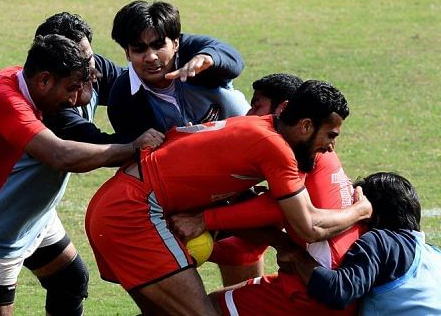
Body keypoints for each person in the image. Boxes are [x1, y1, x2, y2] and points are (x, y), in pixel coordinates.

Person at [85, 80, 372, 315]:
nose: (332, 146)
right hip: (132, 212)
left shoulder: (261, 129)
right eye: (330, 135)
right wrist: (361, 210)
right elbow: (309, 225)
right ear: (306, 126)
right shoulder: (276, 149)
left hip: (120, 204)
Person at [0, 34, 163, 315]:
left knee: (68, 279)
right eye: (71, 89)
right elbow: (59, 155)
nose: (75, 99)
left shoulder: (23, 83)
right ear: (44, 80)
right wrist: (132, 148)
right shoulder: (5, 99)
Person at [0, 13, 128, 316]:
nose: (90, 72)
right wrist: (141, 145)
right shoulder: (54, 108)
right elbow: (82, 151)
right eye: (77, 68)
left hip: (34, 216)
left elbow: (133, 86)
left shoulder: (89, 69)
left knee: (69, 281)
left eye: (88, 58)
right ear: (51, 73)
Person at [195, 73, 363, 292]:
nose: (249, 114)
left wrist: (203, 220)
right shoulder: (300, 148)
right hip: (331, 278)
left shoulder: (305, 153)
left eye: (257, 106)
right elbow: (246, 249)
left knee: (204, 308)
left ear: (283, 109)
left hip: (319, 283)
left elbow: (280, 212)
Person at [273, 172, 441, 315]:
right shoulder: (435, 255)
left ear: (371, 214)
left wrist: (296, 256)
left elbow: (338, 292)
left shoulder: (382, 241)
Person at [107, 0, 250, 140]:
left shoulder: (195, 52)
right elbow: (138, 153)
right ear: (127, 53)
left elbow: (233, 60)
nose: (151, 57)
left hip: (246, 140)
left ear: (176, 43)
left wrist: (208, 59)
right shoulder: (123, 96)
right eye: (139, 49)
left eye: (158, 45)